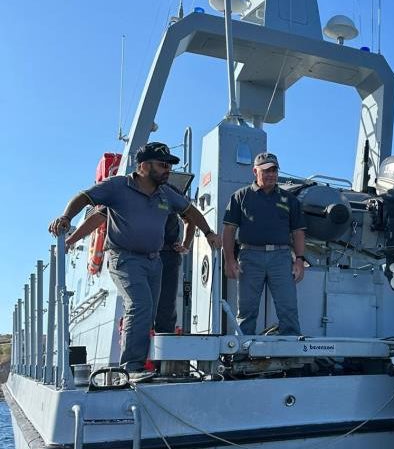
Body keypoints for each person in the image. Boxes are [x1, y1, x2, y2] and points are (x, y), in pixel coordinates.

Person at [48, 142, 221, 377]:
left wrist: (209, 233)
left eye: (169, 166)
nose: (167, 170)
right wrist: (66, 218)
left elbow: (191, 212)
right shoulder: (118, 186)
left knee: (154, 313)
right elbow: (85, 197)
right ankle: (130, 367)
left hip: (155, 261)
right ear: (143, 166)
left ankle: (155, 366)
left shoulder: (166, 193)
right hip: (124, 258)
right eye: (162, 165)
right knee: (140, 305)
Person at [66, 201, 194, 334]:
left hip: (166, 257)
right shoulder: (125, 189)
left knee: (165, 312)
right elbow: (99, 216)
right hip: (137, 257)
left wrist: (186, 244)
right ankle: (137, 348)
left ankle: (161, 349)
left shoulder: (169, 194)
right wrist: (70, 240)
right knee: (140, 308)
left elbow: (190, 216)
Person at [222, 152, 306, 336]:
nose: (271, 174)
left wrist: (299, 260)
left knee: (288, 308)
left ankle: (289, 353)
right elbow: (228, 231)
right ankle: (242, 352)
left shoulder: (290, 200)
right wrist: (229, 260)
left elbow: (298, 232)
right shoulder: (240, 196)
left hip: (282, 258)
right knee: (246, 311)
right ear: (255, 171)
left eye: (274, 170)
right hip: (249, 257)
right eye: (266, 170)